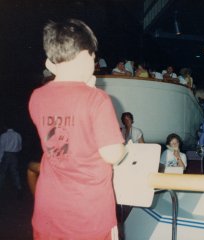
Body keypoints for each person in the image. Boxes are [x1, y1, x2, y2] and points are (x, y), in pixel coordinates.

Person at [28, 19, 126, 240]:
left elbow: (66, 127)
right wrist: (123, 149)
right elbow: (111, 154)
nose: (95, 61)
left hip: (48, 212)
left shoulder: (37, 97)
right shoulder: (97, 99)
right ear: (84, 56)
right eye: (93, 56)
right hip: (88, 216)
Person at [0, 125, 22, 195]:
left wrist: (0, 158)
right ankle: (18, 187)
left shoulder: (3, 135)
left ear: (5, 127)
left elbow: (1, 148)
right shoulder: (18, 135)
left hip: (6, 155)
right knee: (15, 172)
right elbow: (20, 147)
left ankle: (1, 186)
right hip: (14, 155)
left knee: (3, 172)